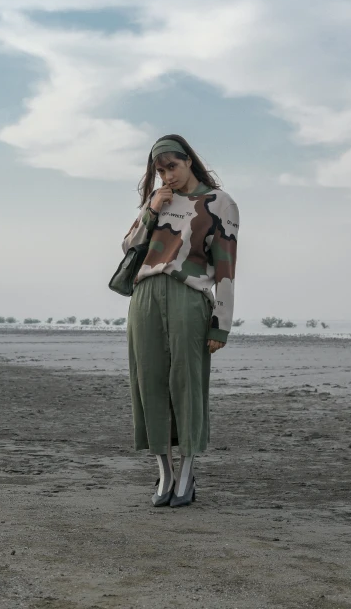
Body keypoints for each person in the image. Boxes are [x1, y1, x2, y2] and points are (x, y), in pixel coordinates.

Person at [121, 134, 240, 507]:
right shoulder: (156, 201)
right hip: (144, 297)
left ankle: (187, 472)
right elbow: (128, 247)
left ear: (188, 160)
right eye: (160, 170)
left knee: (187, 383)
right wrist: (151, 209)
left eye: (172, 166)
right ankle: (165, 472)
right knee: (149, 383)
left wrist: (220, 323)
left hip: (189, 297)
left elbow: (226, 268)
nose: (167, 175)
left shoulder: (220, 203)